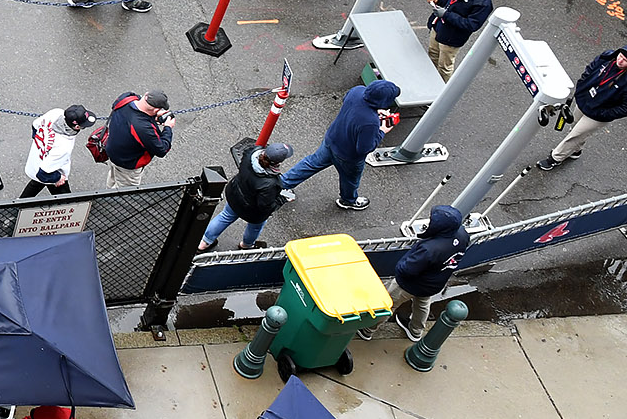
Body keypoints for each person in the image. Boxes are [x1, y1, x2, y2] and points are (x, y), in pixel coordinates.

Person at [279, 81, 400, 211]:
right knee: (350, 180)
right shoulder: (371, 123)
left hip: (332, 140)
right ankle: (348, 200)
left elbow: (349, 103)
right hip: (348, 156)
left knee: (310, 163)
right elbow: (364, 148)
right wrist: (382, 131)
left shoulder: (357, 91)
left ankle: (282, 185)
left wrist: (375, 111)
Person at [359, 205, 470, 343]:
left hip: (410, 284)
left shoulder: (430, 249)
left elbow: (407, 269)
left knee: (388, 304)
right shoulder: (462, 234)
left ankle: (367, 330)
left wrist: (400, 266)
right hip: (435, 283)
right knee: (422, 304)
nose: (429, 222)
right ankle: (416, 331)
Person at [543, 43, 627, 170]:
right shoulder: (607, 57)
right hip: (584, 100)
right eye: (620, 56)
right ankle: (576, 151)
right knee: (574, 125)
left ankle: (555, 158)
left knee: (575, 135)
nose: (619, 60)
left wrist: (606, 114)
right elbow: (590, 69)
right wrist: (581, 87)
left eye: (625, 60)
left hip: (598, 114)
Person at [196, 142, 294, 252]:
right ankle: (246, 245)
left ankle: (204, 243)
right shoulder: (270, 183)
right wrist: (283, 199)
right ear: (278, 162)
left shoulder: (251, 154)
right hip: (252, 211)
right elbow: (265, 206)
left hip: (235, 194)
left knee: (225, 216)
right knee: (255, 227)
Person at [426, 0, 493, 76]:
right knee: (432, 54)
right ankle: (429, 77)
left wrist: (446, 15)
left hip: (451, 37)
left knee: (444, 67)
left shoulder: (483, 1)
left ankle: (443, 90)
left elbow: (471, 24)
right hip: (438, 26)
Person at [100, 90, 174, 188]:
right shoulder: (143, 127)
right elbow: (161, 149)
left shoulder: (126, 97)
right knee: (124, 192)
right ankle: (111, 202)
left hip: (113, 151)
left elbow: (133, 114)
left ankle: (105, 195)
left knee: (113, 177)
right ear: (156, 110)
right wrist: (168, 127)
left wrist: (152, 117)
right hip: (128, 163)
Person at [21, 105, 94, 198]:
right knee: (63, 197)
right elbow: (43, 174)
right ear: (76, 127)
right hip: (50, 169)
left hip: (37, 160)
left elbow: (35, 125)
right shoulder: (63, 146)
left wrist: (42, 144)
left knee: (36, 184)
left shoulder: (55, 113)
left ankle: (20, 203)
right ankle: (70, 208)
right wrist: (58, 178)